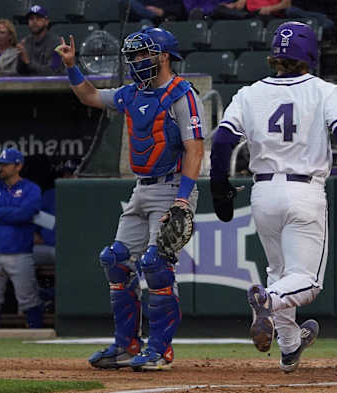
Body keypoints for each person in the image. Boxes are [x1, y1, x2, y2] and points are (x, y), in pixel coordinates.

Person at [209, 21, 337, 372]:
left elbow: (222, 141)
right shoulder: (323, 90)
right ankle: (268, 300)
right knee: (307, 281)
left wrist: (219, 185)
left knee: (281, 272)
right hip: (304, 189)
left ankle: (290, 348)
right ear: (310, 54)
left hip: (263, 192)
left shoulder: (249, 93)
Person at [56, 26, 205, 370]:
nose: (137, 61)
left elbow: (195, 150)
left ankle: (161, 350)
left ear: (163, 56)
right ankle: (126, 345)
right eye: (134, 55)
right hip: (141, 188)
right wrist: (71, 66)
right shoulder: (131, 93)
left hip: (171, 188)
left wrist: (183, 200)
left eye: (143, 54)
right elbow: (90, 96)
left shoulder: (182, 94)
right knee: (116, 259)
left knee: (156, 264)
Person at [0, 148, 44, 329]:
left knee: (28, 300)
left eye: (5, 165)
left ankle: (36, 343)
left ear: (18, 166)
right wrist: (13, 212)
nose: (1, 168)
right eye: (0, 165)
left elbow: (26, 214)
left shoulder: (31, 189)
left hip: (20, 252)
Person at [228, 0, 335, 32]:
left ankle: (323, 20)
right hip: (255, 16)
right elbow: (239, 5)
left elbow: (286, 4)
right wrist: (230, 6)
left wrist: (269, 9)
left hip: (277, 14)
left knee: (291, 11)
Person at [16, 5, 63, 76]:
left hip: (52, 85)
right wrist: (20, 60)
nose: (34, 21)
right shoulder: (25, 42)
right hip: (28, 85)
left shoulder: (57, 43)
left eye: (38, 18)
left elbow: (53, 72)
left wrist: (28, 62)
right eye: (31, 19)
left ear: (47, 22)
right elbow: (20, 73)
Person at [119, 0, 187, 24]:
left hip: (166, 19)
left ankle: (154, 17)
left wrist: (162, 12)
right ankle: (154, 17)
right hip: (143, 21)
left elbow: (180, 9)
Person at [183, 0, 250, 20]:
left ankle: (247, 17)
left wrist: (232, 5)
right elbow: (190, 8)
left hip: (224, 14)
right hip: (205, 16)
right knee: (196, 13)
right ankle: (246, 17)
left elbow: (229, 3)